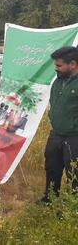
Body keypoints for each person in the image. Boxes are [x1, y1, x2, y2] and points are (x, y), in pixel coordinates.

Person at [40, 47, 78, 203]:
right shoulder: (57, 81)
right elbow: (53, 103)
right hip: (56, 134)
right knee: (52, 167)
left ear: (73, 64)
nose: (56, 68)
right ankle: (50, 198)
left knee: (73, 172)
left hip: (74, 137)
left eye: (59, 65)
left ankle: (72, 205)